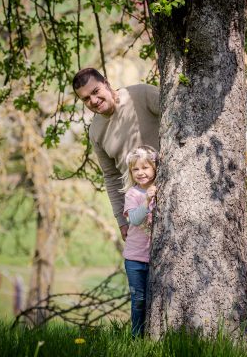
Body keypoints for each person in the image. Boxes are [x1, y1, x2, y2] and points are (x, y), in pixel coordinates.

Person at [72, 68, 159, 241]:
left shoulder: (140, 94)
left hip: (173, 188)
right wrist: (121, 220)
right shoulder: (95, 131)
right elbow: (111, 176)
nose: (94, 101)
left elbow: (178, 114)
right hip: (142, 207)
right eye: (86, 99)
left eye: (96, 91)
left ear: (106, 83)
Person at [121, 145, 157, 337]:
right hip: (135, 259)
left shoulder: (162, 189)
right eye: (136, 169)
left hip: (155, 257)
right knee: (139, 299)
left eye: (145, 167)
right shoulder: (132, 194)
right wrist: (147, 200)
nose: (141, 172)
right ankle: (136, 338)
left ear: (154, 168)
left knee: (155, 299)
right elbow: (135, 219)